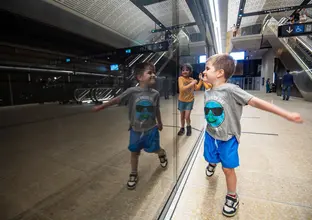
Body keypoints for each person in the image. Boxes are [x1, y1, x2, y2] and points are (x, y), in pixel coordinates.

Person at [201, 54, 303, 217]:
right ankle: (213, 162)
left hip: (228, 138)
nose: (203, 72)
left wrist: (286, 114)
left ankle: (232, 196)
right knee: (211, 158)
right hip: (210, 135)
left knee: (228, 169)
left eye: (207, 68)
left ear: (220, 73)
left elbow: (255, 101)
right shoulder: (208, 91)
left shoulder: (231, 90)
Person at [93, 62, 168, 190]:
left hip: (151, 130)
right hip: (136, 130)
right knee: (134, 152)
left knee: (154, 149)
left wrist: (159, 122)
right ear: (139, 77)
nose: (153, 75)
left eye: (154, 72)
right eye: (150, 72)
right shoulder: (132, 91)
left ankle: (161, 153)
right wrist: (102, 106)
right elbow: (117, 99)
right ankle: (133, 173)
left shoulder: (155, 94)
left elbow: (156, 109)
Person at [178, 63, 211, 136]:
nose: (185, 71)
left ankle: (188, 127)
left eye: (187, 70)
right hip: (181, 101)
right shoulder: (181, 79)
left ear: (190, 71)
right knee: (182, 116)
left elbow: (197, 88)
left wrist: (200, 80)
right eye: (183, 70)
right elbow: (182, 89)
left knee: (187, 116)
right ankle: (182, 128)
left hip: (189, 101)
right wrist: (192, 83)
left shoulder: (191, 79)